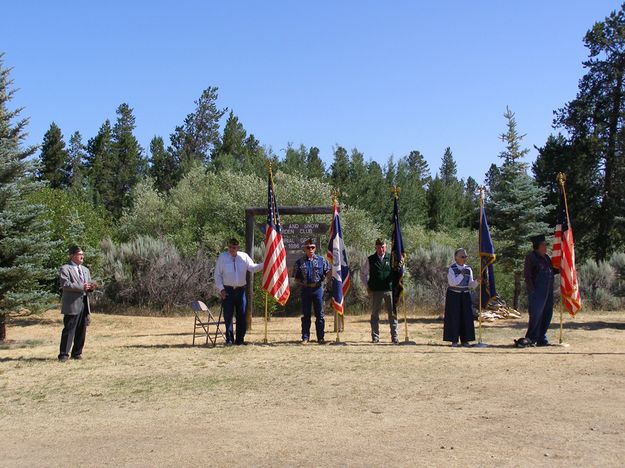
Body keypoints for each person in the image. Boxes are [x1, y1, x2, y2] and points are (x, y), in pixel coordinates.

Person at [214, 238, 263, 345]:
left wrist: (265, 264)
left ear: (238, 247)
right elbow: (217, 274)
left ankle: (240, 340)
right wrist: (221, 289)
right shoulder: (223, 257)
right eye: (230, 247)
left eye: (234, 247)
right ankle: (229, 339)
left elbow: (253, 268)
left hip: (240, 290)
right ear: (228, 246)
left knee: (242, 315)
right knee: (228, 315)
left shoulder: (244, 256)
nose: (232, 249)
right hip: (227, 290)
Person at [58, 245, 97, 361]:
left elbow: (87, 284)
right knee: (69, 329)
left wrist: (91, 287)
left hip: (84, 303)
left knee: (82, 329)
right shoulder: (65, 269)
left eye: (83, 254)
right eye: (80, 254)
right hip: (72, 304)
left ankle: (77, 353)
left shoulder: (85, 270)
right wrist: (82, 286)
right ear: (72, 256)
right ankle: (64, 355)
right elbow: (65, 284)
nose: (82, 256)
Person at [520, 234, 559, 347]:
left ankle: (542, 338)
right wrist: (532, 291)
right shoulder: (531, 257)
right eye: (544, 245)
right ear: (538, 246)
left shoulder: (546, 258)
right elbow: (527, 275)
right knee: (536, 315)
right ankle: (532, 338)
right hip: (537, 292)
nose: (546, 247)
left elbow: (553, 270)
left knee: (547, 314)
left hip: (548, 291)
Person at [293, 238, 331, 344]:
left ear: (315, 248)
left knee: (320, 314)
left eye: (312, 247)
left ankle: (320, 337)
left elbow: (328, 271)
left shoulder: (321, 260)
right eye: (308, 247)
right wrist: (304, 284)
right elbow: (296, 278)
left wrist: (326, 282)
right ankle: (305, 337)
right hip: (305, 289)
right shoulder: (299, 262)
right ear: (304, 248)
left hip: (318, 289)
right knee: (306, 315)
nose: (310, 249)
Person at [362, 238, 398, 343]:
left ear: (386, 247)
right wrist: (367, 286)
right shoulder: (370, 259)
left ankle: (394, 337)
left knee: (393, 314)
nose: (381, 249)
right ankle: (375, 337)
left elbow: (399, 271)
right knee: (375, 315)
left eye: (383, 247)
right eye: (379, 247)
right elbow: (363, 274)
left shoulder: (391, 258)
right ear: (376, 247)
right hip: (375, 291)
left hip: (390, 290)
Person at [443, 248, 479, 347]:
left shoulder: (469, 269)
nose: (464, 258)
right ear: (456, 257)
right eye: (462, 256)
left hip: (465, 295)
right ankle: (454, 340)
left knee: (466, 317)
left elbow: (471, 285)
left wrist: (477, 282)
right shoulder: (452, 268)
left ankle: (465, 340)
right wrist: (462, 274)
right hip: (454, 295)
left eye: (465, 256)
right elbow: (452, 283)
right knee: (454, 317)